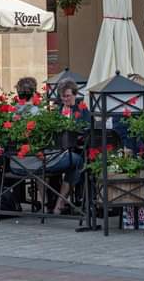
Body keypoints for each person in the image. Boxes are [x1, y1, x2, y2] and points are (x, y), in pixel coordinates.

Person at [51, 79, 92, 214]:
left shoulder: (82, 109)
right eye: (63, 96)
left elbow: (87, 129)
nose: (65, 99)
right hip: (58, 150)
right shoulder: (57, 110)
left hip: (76, 149)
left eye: (68, 96)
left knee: (76, 163)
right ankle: (54, 202)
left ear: (75, 94)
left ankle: (60, 203)